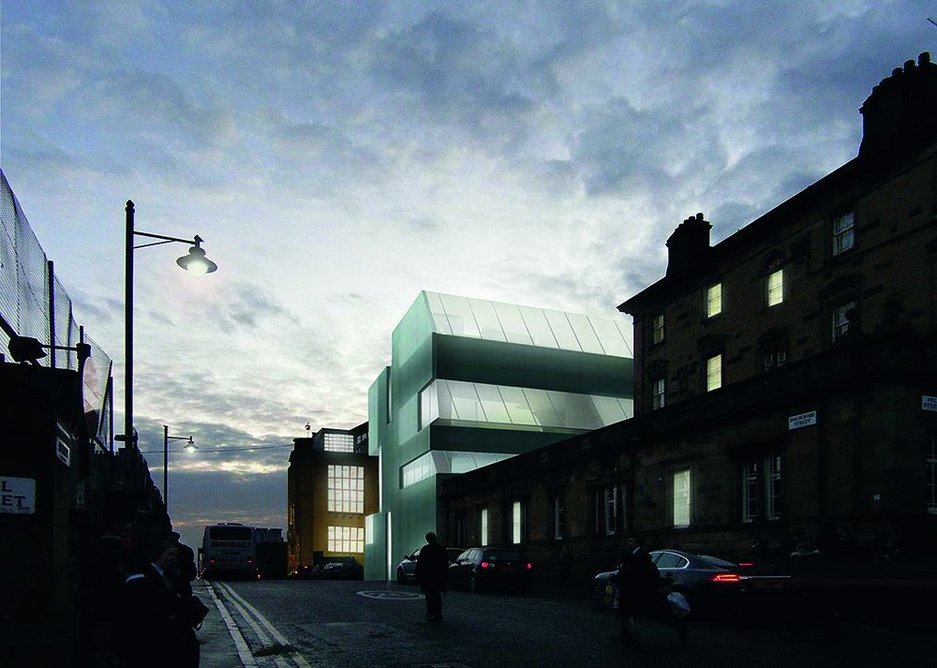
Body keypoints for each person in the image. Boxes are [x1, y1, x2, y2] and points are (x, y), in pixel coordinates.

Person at [114, 538, 200, 667]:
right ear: (157, 556)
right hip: (158, 635)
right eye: (169, 554)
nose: (173, 558)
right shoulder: (145, 579)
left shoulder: (171, 575)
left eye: (175, 555)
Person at [615, 537, 687, 644]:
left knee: (655, 613)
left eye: (631, 540)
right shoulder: (637, 556)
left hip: (642, 590)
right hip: (639, 590)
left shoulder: (639, 556)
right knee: (628, 613)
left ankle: (681, 628)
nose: (628, 543)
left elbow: (643, 573)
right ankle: (627, 636)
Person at [415, 531, 449, 621]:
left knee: (429, 595)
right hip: (438, 575)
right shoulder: (441, 549)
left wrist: (418, 575)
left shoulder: (425, 549)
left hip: (428, 576)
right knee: (437, 595)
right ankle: (438, 613)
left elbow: (420, 563)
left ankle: (431, 612)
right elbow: (445, 563)